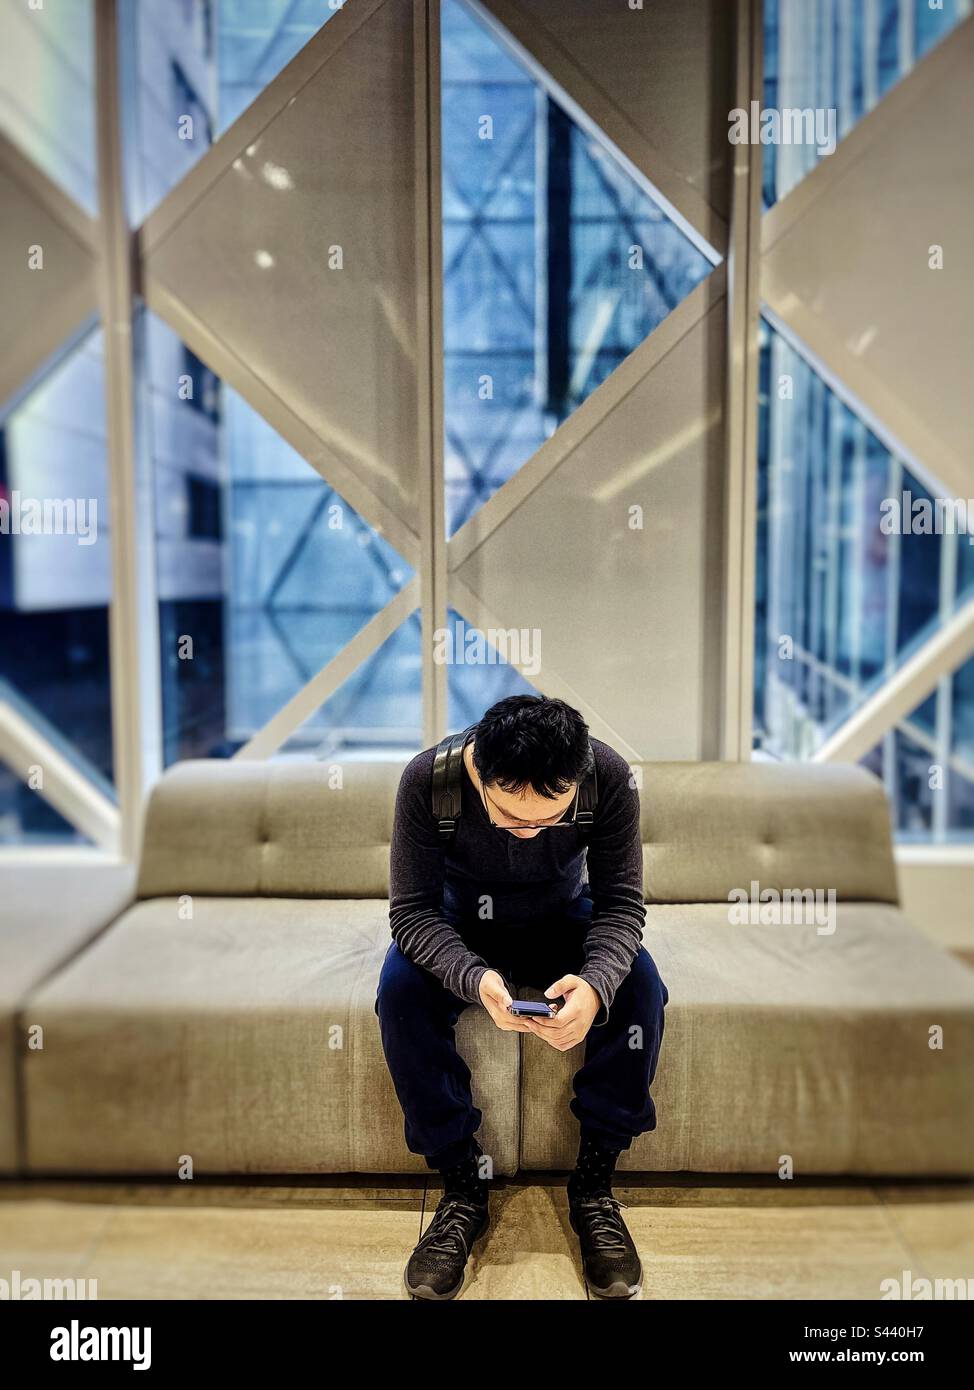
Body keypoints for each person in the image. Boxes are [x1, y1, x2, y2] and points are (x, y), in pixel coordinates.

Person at [375, 694, 668, 1299]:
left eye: (551, 819)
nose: (532, 831)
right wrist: (472, 977)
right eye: (512, 818)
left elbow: (621, 907)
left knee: (640, 986)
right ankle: (462, 1189)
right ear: (479, 773)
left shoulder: (607, 776)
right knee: (400, 991)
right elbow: (411, 915)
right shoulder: (428, 782)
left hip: (562, 917)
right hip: (460, 926)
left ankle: (592, 1186)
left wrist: (595, 984)